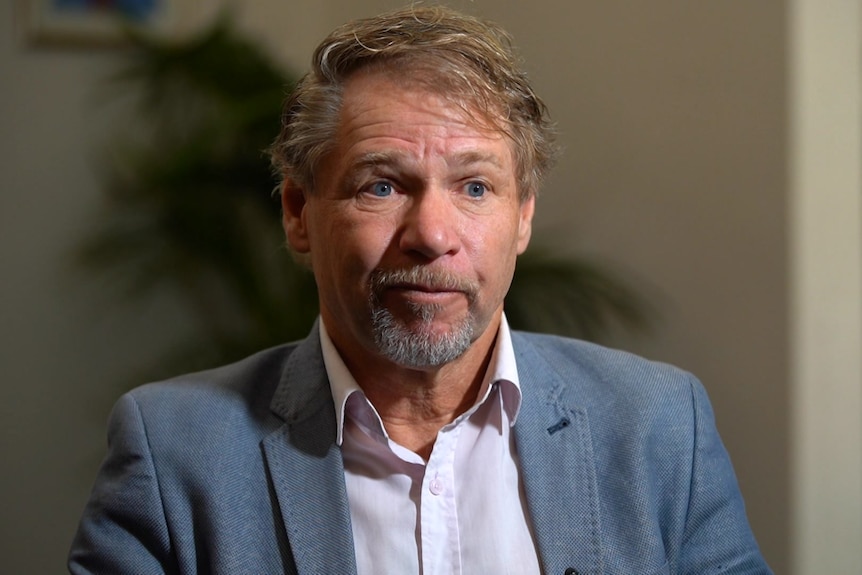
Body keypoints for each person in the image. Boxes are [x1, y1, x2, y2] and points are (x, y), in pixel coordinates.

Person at [69, 6, 772, 574]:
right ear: (297, 213)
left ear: (522, 215)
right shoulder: (174, 453)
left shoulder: (657, 426)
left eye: (474, 186)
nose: (432, 233)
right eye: (382, 184)